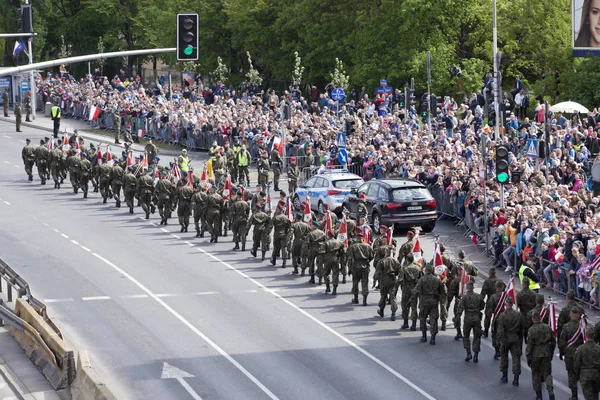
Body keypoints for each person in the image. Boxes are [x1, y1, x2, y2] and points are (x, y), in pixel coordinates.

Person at [526, 311, 556, 400]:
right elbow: (553, 341)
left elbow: (530, 345)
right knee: (547, 374)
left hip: (536, 354)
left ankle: (539, 396)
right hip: (546, 353)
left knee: (536, 374)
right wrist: (551, 352)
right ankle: (550, 390)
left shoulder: (531, 330)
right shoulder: (547, 327)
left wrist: (528, 357)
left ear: (533, 319)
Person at [558, 307, 586, 400]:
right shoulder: (582, 326)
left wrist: (561, 352)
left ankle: (574, 395)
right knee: (580, 373)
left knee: (571, 374)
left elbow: (562, 342)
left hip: (569, 354)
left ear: (571, 315)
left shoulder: (566, 326)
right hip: (580, 353)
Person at [412, 264, 443, 345]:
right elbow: (442, 292)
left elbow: (416, 290)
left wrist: (412, 298)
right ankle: (433, 338)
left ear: (425, 270)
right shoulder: (437, 280)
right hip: (434, 302)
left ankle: (424, 336)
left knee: (423, 318)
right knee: (433, 319)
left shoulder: (422, 279)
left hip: (424, 302)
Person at [497, 296, 524, 386]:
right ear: (512, 304)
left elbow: (500, 330)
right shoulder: (518, 315)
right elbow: (522, 328)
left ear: (505, 304)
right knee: (516, 359)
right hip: (515, 339)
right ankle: (516, 379)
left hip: (505, 339)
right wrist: (519, 337)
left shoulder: (502, 315)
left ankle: (504, 376)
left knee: (504, 357)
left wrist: (499, 340)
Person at [456, 282, 485, 362]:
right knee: (477, 337)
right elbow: (482, 306)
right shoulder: (478, 296)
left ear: (467, 288)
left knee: (466, 336)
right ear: (473, 288)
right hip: (477, 318)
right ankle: (476, 356)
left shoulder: (465, 297)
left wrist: (457, 316)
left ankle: (469, 353)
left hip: (468, 318)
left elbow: (460, 308)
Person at [347, 229, 374, 306]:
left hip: (356, 266)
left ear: (356, 238)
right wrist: (367, 261)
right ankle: (365, 300)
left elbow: (350, 258)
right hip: (365, 265)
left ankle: (356, 298)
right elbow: (371, 256)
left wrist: (349, 268)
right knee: (365, 283)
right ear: (363, 238)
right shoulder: (368, 246)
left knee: (355, 282)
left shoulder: (353, 246)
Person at [574, 326, 600, 400]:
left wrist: (578, 375)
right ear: (594, 335)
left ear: (585, 335)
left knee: (588, 397)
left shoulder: (581, 348)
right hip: (597, 375)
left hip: (585, 375)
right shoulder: (598, 348)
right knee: (595, 396)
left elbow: (576, 364)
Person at [375, 246, 400, 320]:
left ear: (385, 252)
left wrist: (375, 280)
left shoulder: (382, 261)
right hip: (392, 279)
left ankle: (381, 311)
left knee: (383, 296)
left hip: (384, 280)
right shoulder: (395, 261)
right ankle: (393, 314)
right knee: (393, 296)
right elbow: (398, 271)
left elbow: (378, 272)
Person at [398, 252, 421, 330]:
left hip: (406, 290)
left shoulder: (404, 269)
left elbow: (400, 280)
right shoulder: (418, 268)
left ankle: (405, 323)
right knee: (414, 307)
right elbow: (421, 279)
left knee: (405, 306)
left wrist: (402, 286)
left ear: (407, 259)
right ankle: (414, 325)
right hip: (415, 289)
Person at [481, 267, 504, 337]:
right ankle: (498, 330)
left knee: (488, 316)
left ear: (489, 273)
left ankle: (486, 331)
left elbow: (483, 293)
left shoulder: (487, 281)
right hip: (499, 301)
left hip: (490, 300)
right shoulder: (500, 280)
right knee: (499, 316)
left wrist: (480, 301)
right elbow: (504, 289)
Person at [321, 229, 345, 294]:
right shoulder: (338, 242)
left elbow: (322, 252)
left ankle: (328, 287)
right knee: (335, 274)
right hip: (335, 259)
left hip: (327, 260)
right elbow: (342, 251)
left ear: (328, 235)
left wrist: (321, 261)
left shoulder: (326, 243)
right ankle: (334, 289)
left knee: (326, 273)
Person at [271, 203, 291, 267]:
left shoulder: (275, 217)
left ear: (279, 210)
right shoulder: (286, 218)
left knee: (275, 248)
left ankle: (273, 260)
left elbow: (270, 225)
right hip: (283, 234)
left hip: (277, 234)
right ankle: (284, 262)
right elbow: (289, 226)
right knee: (284, 248)